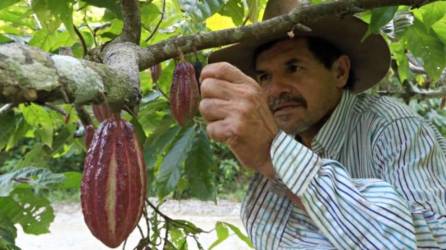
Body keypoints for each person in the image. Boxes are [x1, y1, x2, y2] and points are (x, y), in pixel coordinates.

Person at [198, 0, 446, 249]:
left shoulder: (393, 128)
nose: (274, 91)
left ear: (340, 72)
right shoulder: (286, 139)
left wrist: (273, 158)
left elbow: (431, 241)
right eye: (264, 77)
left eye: (293, 68)